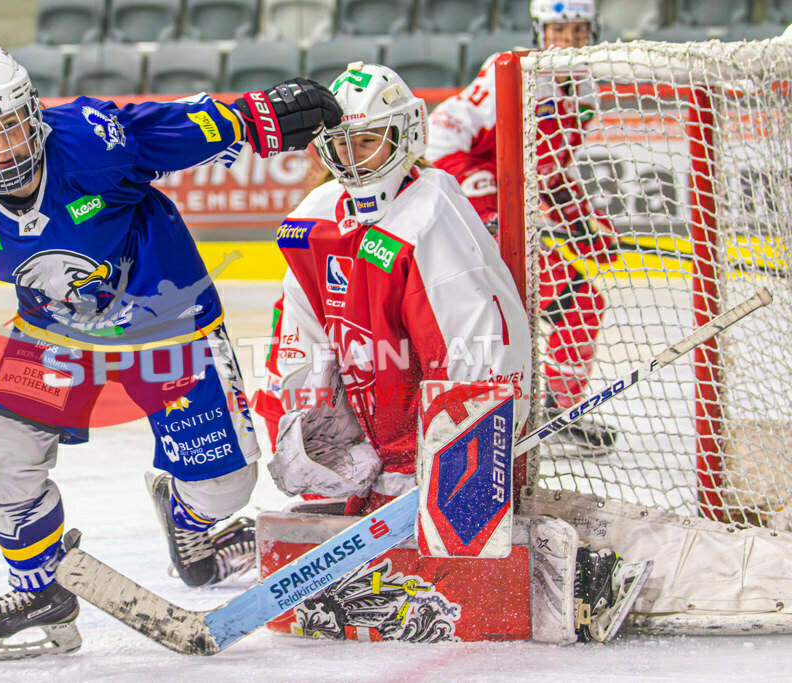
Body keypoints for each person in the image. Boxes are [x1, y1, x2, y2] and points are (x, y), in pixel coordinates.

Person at [0, 43, 340, 661]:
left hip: (167, 322)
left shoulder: (92, 142)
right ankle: (41, 588)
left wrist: (254, 116)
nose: (1, 148)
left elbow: (172, 129)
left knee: (225, 488)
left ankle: (189, 520)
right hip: (55, 335)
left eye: (9, 126)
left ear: (33, 114)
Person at [255, 61, 532, 517]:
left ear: (406, 134)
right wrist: (302, 412)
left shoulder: (431, 208)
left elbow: (473, 345)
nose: (353, 160)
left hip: (425, 454)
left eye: (365, 141)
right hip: (372, 445)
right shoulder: (316, 214)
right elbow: (296, 334)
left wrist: (469, 460)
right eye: (339, 146)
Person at [427, 0, 620, 453]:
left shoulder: (586, 90)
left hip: (502, 213)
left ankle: (549, 405)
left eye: (577, 30)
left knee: (574, 302)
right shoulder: (512, 70)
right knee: (575, 303)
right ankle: (543, 408)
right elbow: (443, 134)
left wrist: (581, 222)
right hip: (466, 213)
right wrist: (486, 204)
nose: (569, 40)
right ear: (539, 31)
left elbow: (547, 169)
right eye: (559, 30)